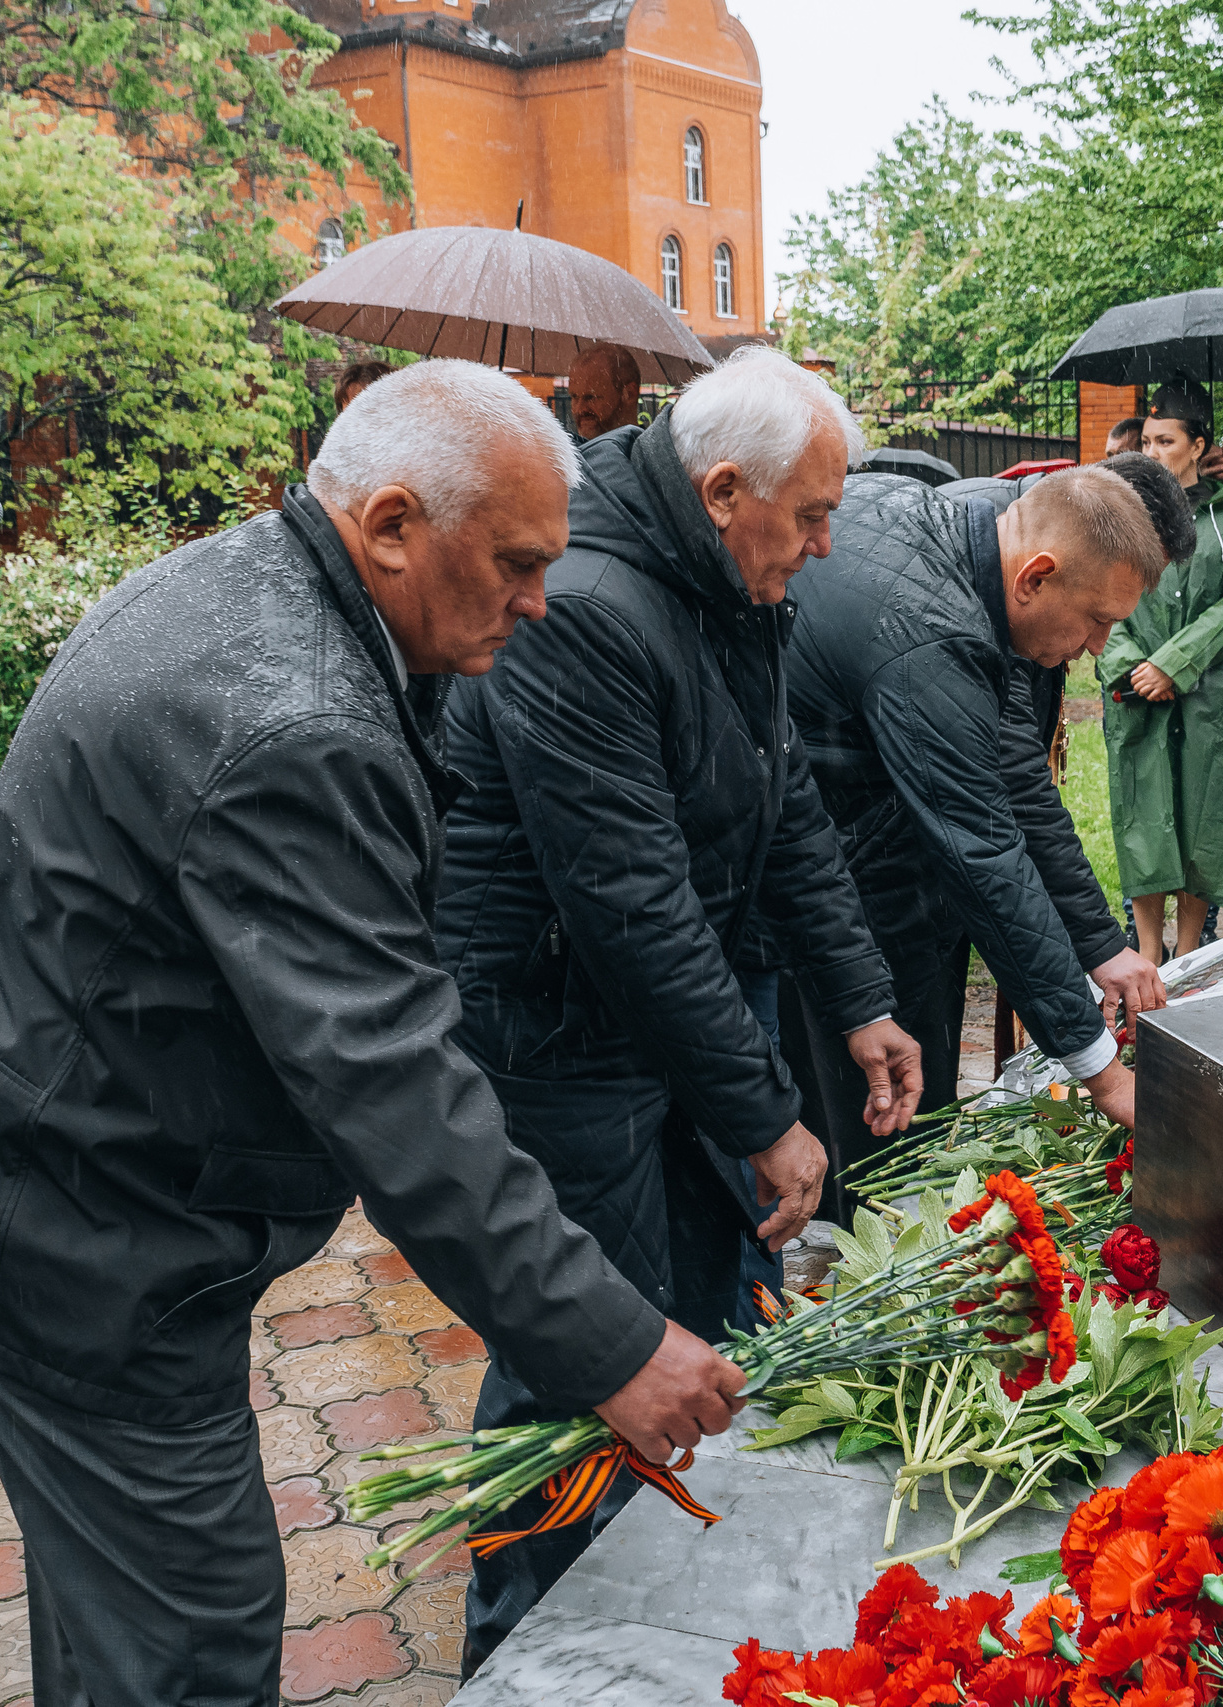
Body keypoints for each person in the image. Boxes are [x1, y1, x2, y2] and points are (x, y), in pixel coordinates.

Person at [0, 361, 746, 1707]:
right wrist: (612, 1341)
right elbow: (393, 1085)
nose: (543, 600)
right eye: (519, 562)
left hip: (55, 1182)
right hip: (70, 1244)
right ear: (387, 526)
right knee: (197, 1628)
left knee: (120, 1613)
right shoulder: (291, 721)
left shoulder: (278, 590)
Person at [435, 347, 924, 1663]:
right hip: (556, 1021)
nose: (825, 544)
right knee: (582, 1343)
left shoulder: (726, 582)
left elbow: (786, 805)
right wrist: (766, 1112)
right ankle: (527, 1650)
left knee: (701, 1309)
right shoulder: (590, 601)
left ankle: (649, 1615)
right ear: (722, 490)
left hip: (665, 1005)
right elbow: (627, 901)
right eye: (812, 515)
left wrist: (862, 992)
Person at [776, 461, 1180, 1186]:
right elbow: (985, 852)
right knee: (886, 1111)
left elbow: (1015, 778)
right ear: (1037, 577)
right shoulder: (931, 633)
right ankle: (879, 1228)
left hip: (843, 836)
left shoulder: (968, 532)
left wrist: (1097, 944)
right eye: (1097, 620)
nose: (1097, 649)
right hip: (831, 860)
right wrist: (1104, 1072)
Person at [1103, 385, 1223, 965]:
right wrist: (1133, 666)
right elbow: (1097, 593)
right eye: (1145, 441)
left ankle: (1190, 955)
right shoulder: (1119, 510)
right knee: (1142, 811)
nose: (1151, 452)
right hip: (1135, 688)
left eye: (1165, 441)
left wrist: (1175, 663)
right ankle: (1146, 953)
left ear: (1199, 445)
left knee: (1206, 816)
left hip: (1212, 690)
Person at [570, 344, 645, 442]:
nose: (579, 409)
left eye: (591, 397)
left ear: (629, 394)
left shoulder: (652, 454)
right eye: (574, 397)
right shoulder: (572, 453)